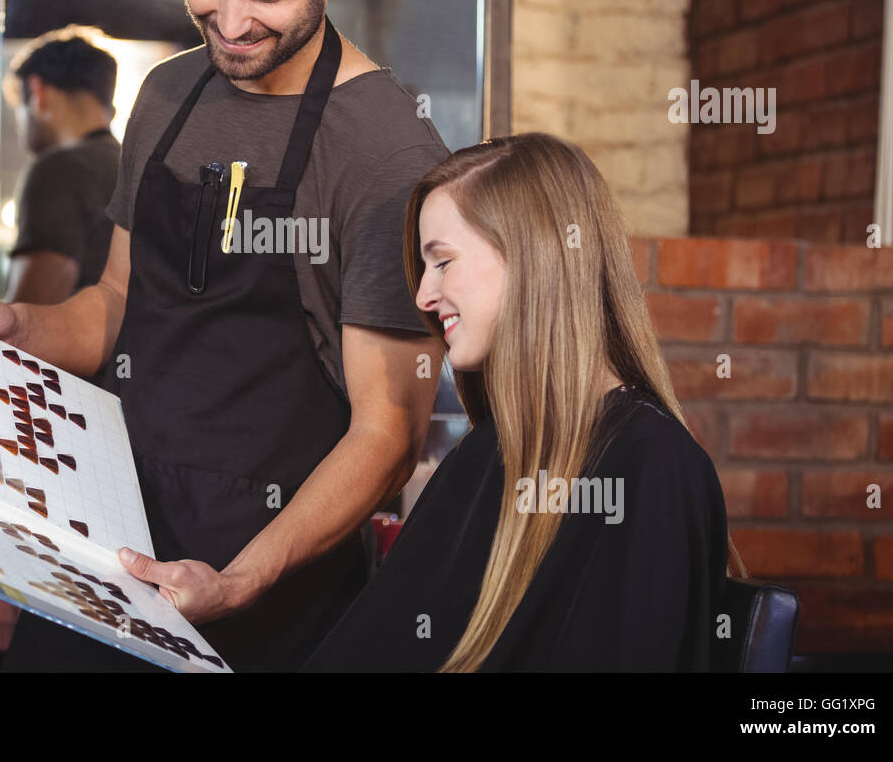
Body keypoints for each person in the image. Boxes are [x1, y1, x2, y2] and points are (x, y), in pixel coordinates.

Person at [0, 0, 449, 671]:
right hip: (111, 555)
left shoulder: (387, 150)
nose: (233, 22)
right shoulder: (169, 97)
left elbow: (387, 433)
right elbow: (117, 307)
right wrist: (21, 328)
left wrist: (243, 579)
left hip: (269, 595)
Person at [302, 133, 746, 672]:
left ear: (533, 256)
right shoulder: (484, 453)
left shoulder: (650, 467)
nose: (422, 295)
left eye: (441, 262)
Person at [3, 27, 120, 306]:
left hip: (70, 350)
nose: (20, 124)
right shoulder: (135, 168)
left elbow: (28, 315)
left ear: (37, 90)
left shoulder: (60, 169)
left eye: (19, 106)